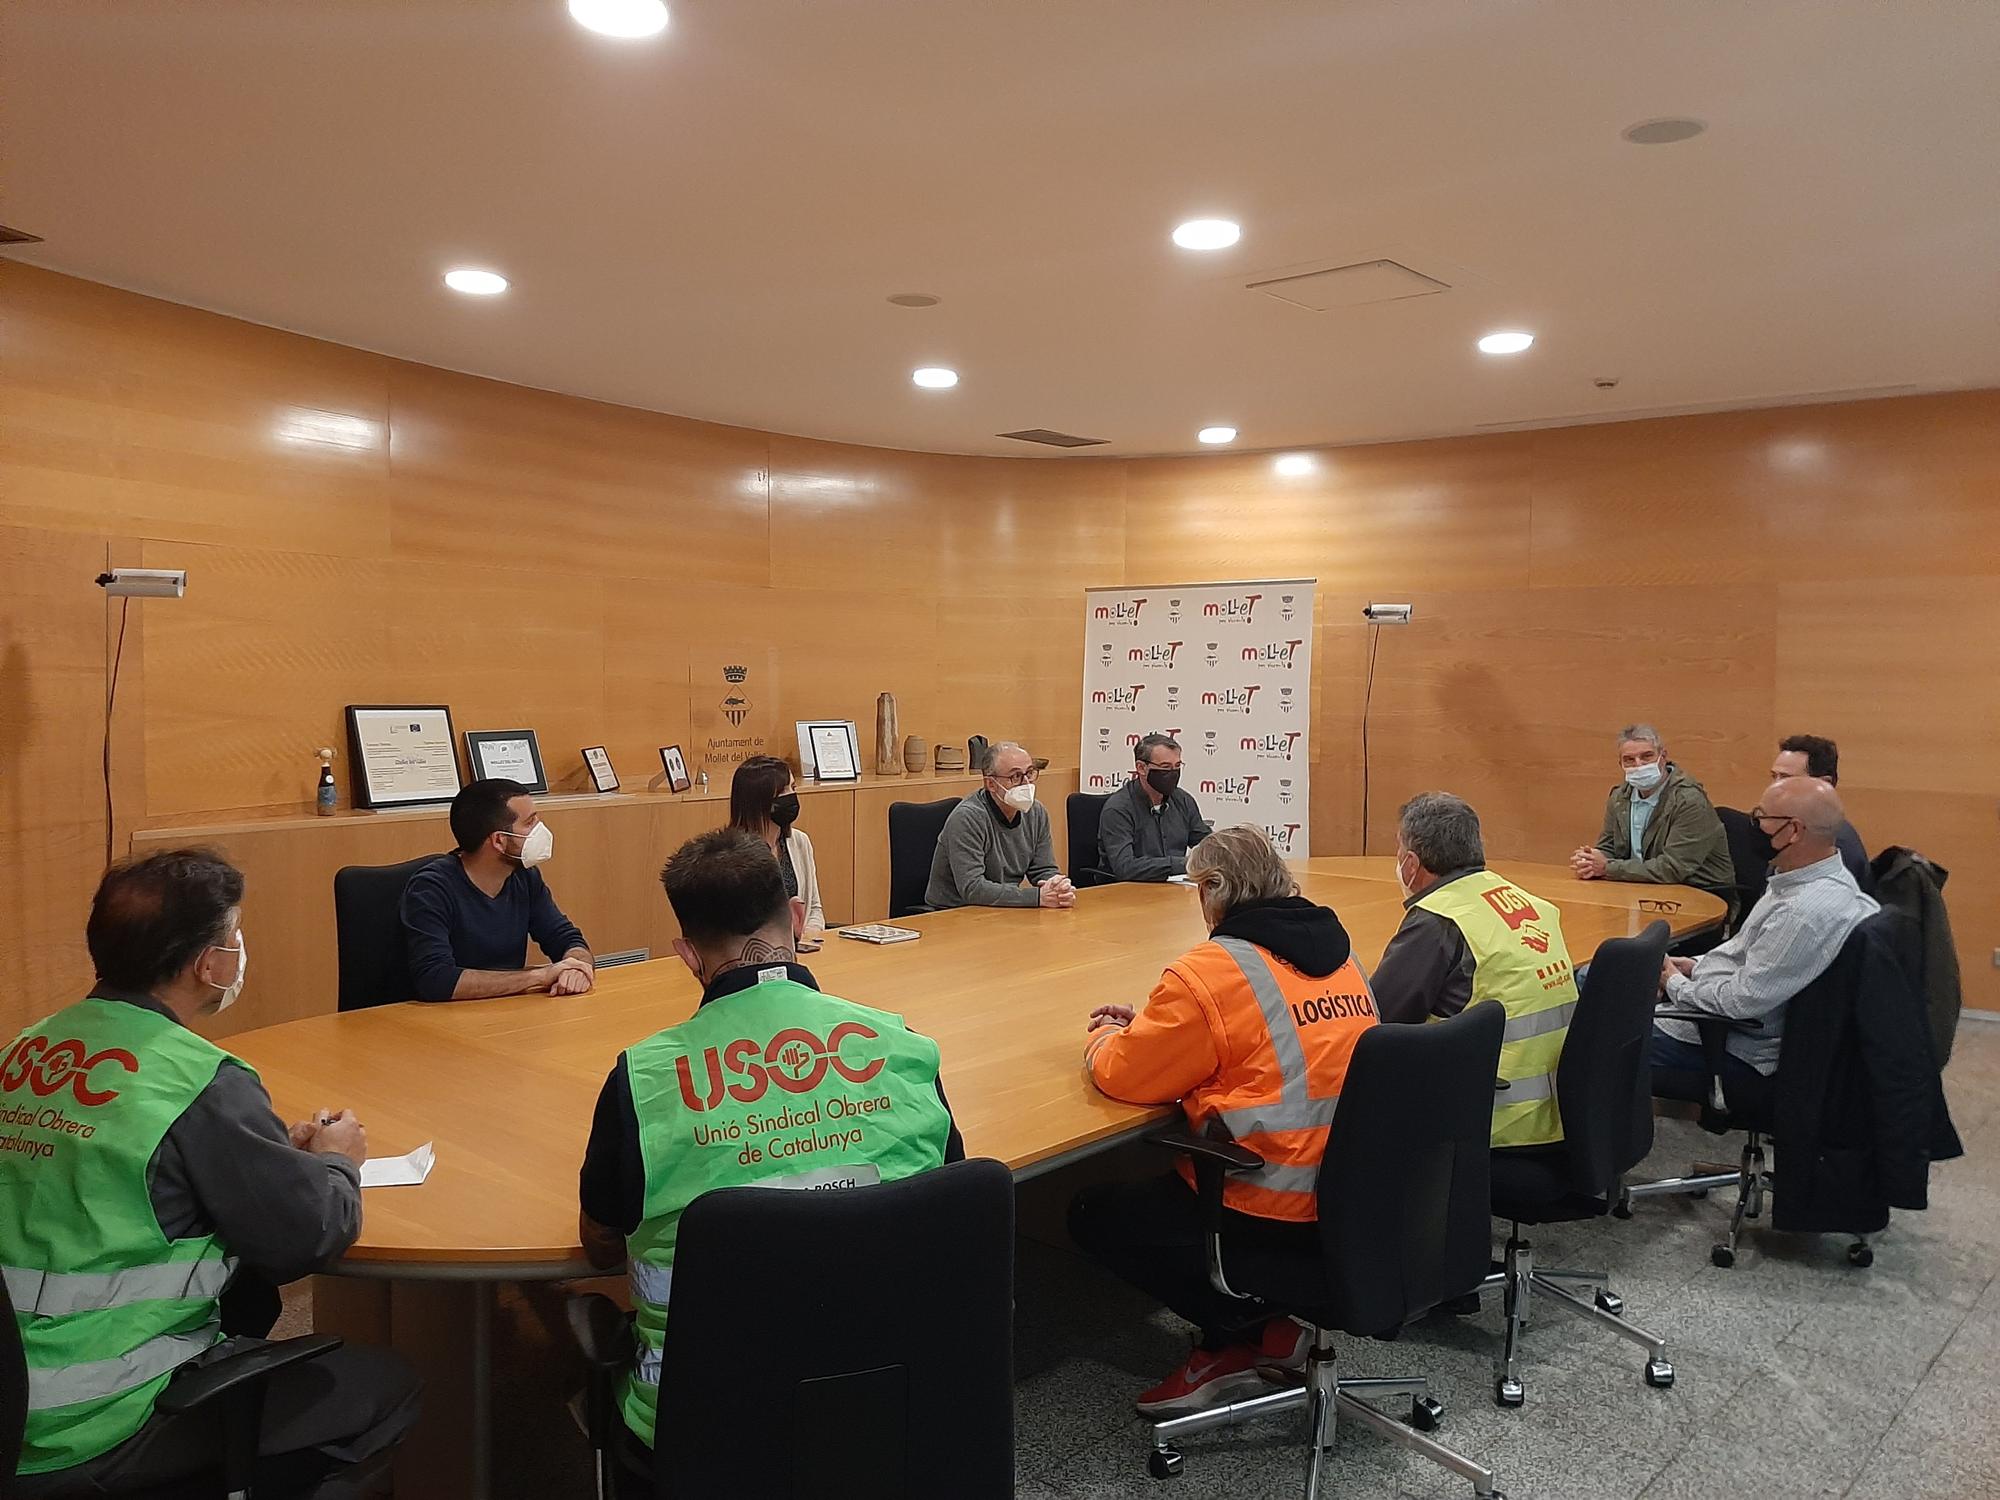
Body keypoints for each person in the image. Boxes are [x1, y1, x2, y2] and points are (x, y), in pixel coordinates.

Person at [3, 850, 419, 1495]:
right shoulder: (197, 1080)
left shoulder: (25, 1049)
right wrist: (339, 1161)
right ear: (210, 963)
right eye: (235, 935)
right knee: (387, 1386)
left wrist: (262, 1151)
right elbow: (307, 1234)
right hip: (93, 1416)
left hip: (13, 1392)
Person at [577, 829, 965, 1454]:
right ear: (796, 915)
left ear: (686, 953)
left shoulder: (642, 1080)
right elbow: (945, 1206)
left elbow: (599, 1246)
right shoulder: (902, 1046)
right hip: (888, 1397)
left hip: (701, 1427)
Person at [1067, 826, 1377, 1418]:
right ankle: (1272, 1327)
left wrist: (1108, 1036)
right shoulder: (1342, 954)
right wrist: (1165, 1028)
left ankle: (1236, 1332)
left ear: (1213, 887)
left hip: (1267, 1196)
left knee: (1092, 1215)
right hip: (1353, 1189)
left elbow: (1123, 1076)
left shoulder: (1212, 969)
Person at [1372, 792, 1579, 1147]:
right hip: (1561, 1106)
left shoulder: (1440, 919)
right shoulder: (1528, 902)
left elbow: (1378, 1020)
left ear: (1410, 862)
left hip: (1493, 1119)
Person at [1652, 776, 1879, 1097]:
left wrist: (1673, 983)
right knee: (1598, 979)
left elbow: (1740, 1001)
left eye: (1761, 818)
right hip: (1716, 1010)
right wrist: (1691, 965)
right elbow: (1744, 954)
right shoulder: (1797, 880)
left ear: (1793, 831)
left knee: (1592, 1036)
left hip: (1733, 1043)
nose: (1753, 826)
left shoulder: (1802, 913)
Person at [401, 777, 593, 1001]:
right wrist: (540, 976)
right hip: (436, 1021)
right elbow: (436, 980)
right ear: (499, 840)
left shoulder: (524, 876)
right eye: (530, 823)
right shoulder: (431, 888)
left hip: (505, 1011)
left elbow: (567, 939)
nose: (540, 831)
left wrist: (576, 967)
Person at [1571, 724, 1733, 900]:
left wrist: (1607, 868)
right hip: (1643, 890)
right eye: (1629, 760)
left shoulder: (1689, 800)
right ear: (1621, 764)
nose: (1638, 765)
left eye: (1646, 756)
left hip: (1699, 894)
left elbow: (1673, 868)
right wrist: (1590, 861)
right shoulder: (1619, 797)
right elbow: (1609, 846)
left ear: (1662, 757)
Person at [923, 741, 1075, 910]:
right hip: (954, 912)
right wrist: (1037, 897)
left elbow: (1043, 869)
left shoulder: (1036, 812)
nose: (1026, 783)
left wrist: (1057, 887)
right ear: (991, 784)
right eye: (1015, 776)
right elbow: (973, 888)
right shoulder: (967, 818)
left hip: (1002, 910)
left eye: (1030, 773)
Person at [728, 754, 825, 951]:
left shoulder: (799, 842)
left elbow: (814, 908)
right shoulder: (731, 856)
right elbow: (732, 929)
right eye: (784, 791)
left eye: (793, 788)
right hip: (753, 958)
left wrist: (808, 936)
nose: (792, 796)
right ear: (759, 801)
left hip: (800, 952)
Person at [1096, 732, 1215, 882]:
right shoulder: (1118, 809)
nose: (1173, 773)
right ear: (1141, 768)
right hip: (1127, 893)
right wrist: (1183, 864)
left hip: (1174, 890)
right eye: (1165, 767)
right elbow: (1125, 867)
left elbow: (1207, 843)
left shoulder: (1183, 800)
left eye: (1177, 766)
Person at [1771, 733, 1871, 891]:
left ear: (1823, 784)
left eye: (1786, 779)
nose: (1774, 789)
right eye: (1773, 777)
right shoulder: (1792, 832)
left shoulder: (1832, 844)